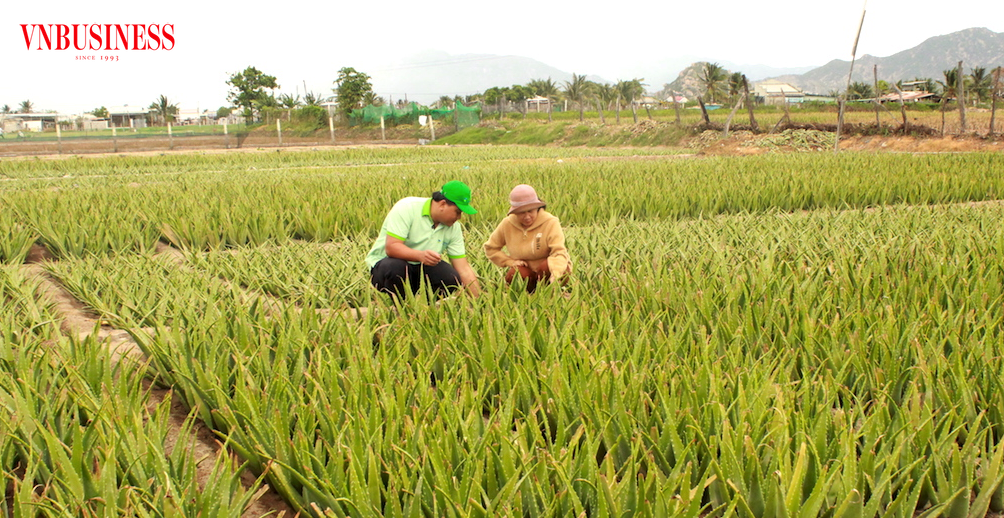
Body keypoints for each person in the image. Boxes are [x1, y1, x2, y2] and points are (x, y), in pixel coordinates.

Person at [366, 180, 482, 300]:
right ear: (442, 204)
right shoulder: (407, 207)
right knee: (396, 268)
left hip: (421, 269)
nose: (459, 217)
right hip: (387, 268)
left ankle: (424, 307)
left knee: (450, 277)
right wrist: (420, 255)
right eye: (457, 212)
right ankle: (400, 306)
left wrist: (479, 300)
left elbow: (463, 268)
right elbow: (392, 247)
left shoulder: (453, 227)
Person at [484, 184, 571, 293]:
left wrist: (556, 273)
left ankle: (549, 293)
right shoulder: (507, 224)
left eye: (530, 211)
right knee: (514, 274)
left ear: (537, 208)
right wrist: (509, 261)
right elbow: (491, 248)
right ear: (514, 212)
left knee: (546, 267)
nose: (527, 216)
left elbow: (559, 252)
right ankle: (527, 296)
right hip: (527, 271)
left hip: (549, 270)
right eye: (521, 212)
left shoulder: (550, 222)